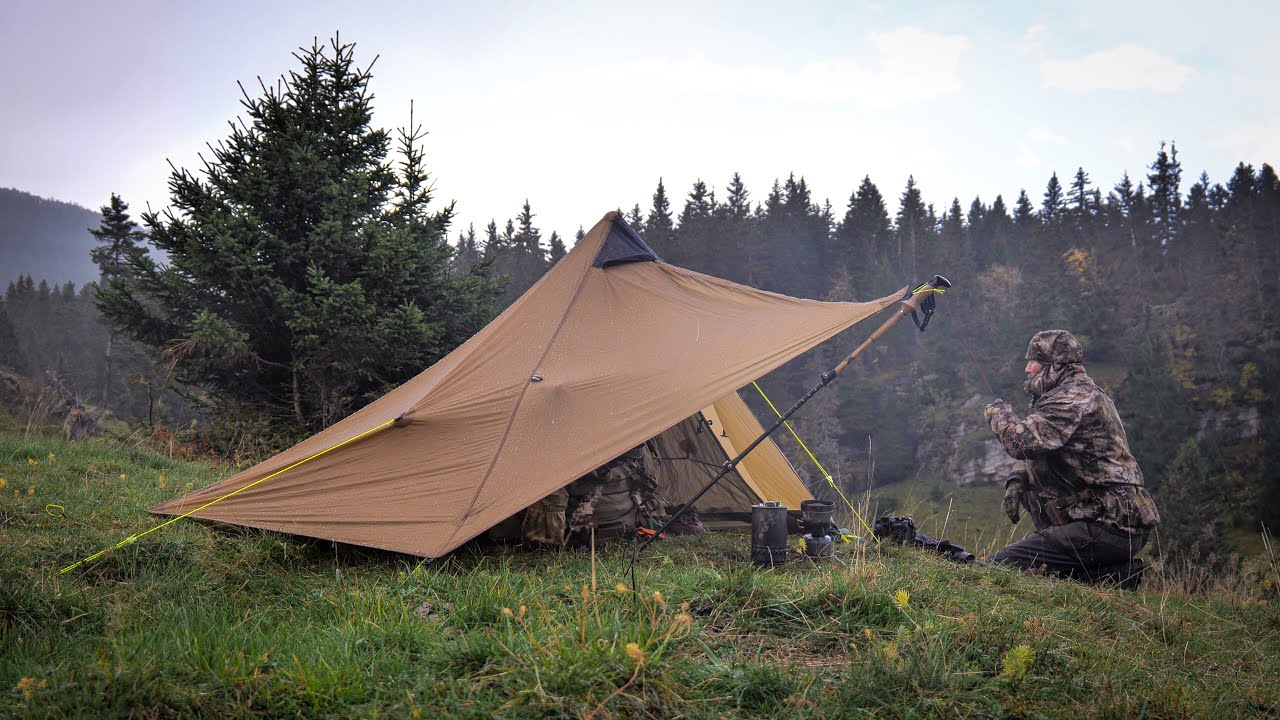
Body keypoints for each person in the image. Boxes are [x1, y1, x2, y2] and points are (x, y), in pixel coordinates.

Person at [984, 330, 1159, 587]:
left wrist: (998, 413)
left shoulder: (1072, 399)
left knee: (1001, 568)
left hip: (1107, 523)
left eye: (1034, 361)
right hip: (1113, 522)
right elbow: (1049, 450)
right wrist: (1017, 478)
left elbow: (1021, 442)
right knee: (1047, 577)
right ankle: (1114, 576)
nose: (1027, 369)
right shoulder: (1077, 394)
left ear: (1055, 366)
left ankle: (1110, 575)